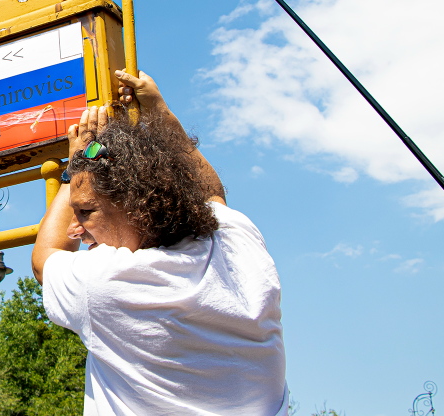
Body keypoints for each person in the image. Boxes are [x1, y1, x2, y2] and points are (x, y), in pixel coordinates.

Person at [32, 70, 289, 416]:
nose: (75, 229)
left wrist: (75, 167)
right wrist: (160, 111)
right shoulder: (234, 244)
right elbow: (212, 194)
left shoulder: (106, 284)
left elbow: (45, 258)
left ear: (136, 209)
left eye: (87, 212)